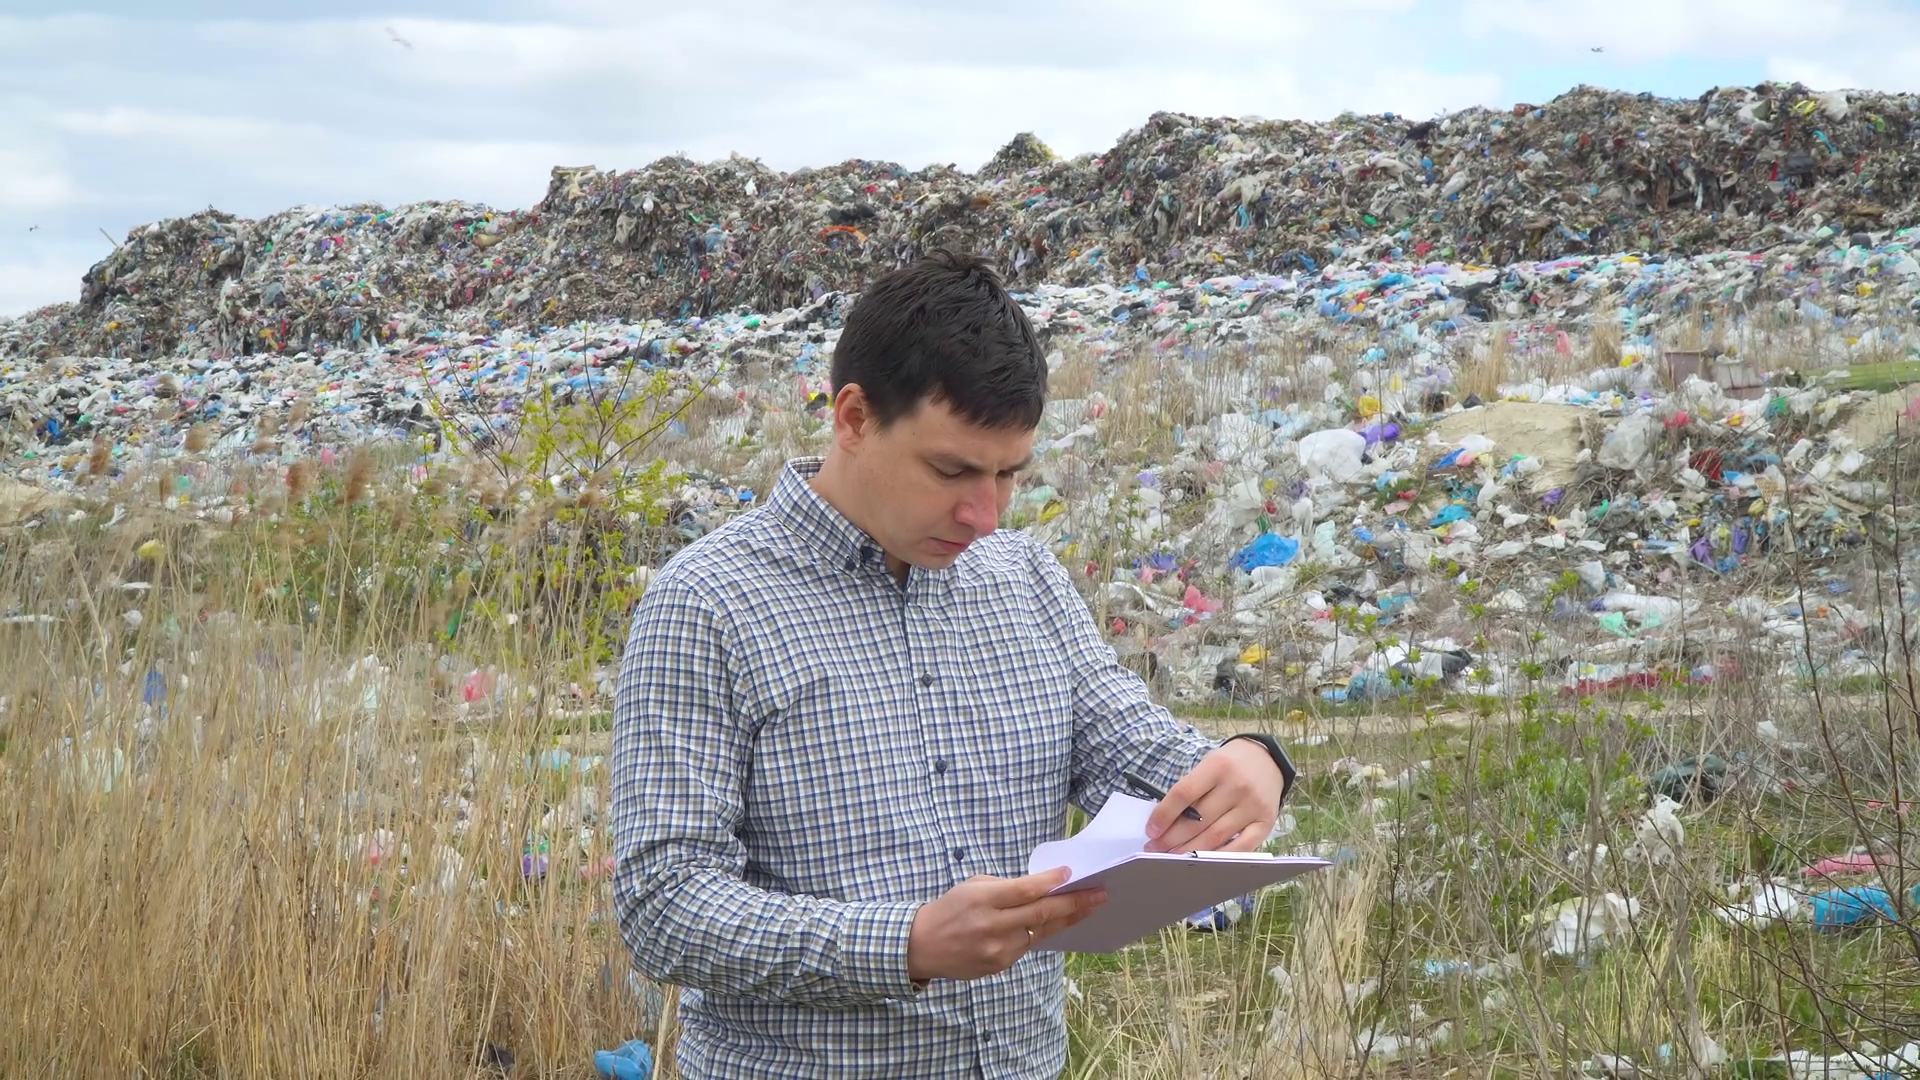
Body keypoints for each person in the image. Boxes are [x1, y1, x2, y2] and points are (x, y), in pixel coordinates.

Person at [610, 249, 1294, 1079]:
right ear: (853, 418)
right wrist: (904, 946)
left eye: (1009, 474)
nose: (985, 514)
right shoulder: (707, 604)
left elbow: (1128, 746)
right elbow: (664, 906)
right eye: (952, 470)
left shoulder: (1024, 577)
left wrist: (1250, 764)